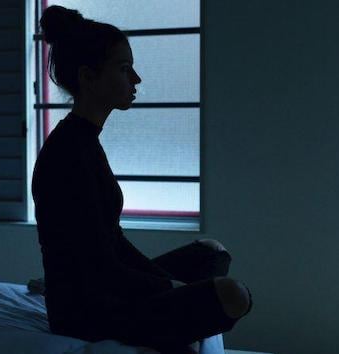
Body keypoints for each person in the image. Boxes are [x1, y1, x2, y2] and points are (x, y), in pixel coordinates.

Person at [31, 5, 252, 354]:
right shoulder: (66, 155)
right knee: (234, 295)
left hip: (106, 285)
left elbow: (113, 241)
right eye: (124, 69)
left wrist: (166, 283)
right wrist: (168, 287)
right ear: (88, 77)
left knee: (210, 252)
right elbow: (99, 266)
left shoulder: (84, 140)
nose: (136, 80)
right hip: (85, 310)